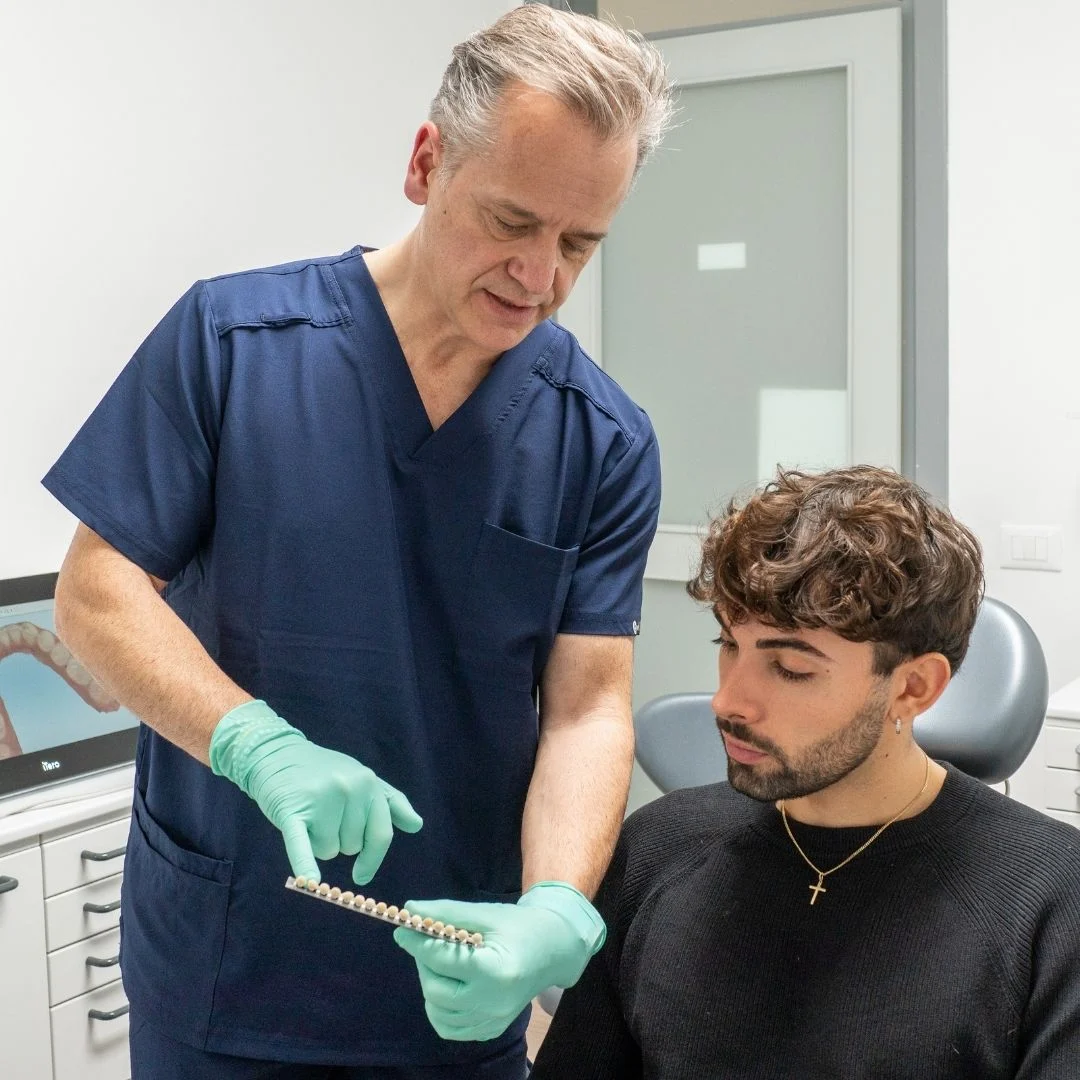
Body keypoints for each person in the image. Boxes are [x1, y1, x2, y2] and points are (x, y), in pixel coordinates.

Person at [42, 7, 674, 1077]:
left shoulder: (600, 438)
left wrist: (557, 907)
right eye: (511, 221)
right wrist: (257, 744)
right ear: (427, 163)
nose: (540, 276)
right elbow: (96, 593)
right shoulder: (233, 346)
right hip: (225, 963)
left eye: (579, 243)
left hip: (457, 981)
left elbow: (586, 706)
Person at [530, 465, 1080, 1079]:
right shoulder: (659, 849)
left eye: (790, 668)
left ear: (914, 687)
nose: (728, 702)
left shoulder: (1053, 900)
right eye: (728, 647)